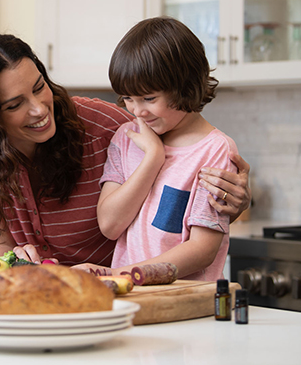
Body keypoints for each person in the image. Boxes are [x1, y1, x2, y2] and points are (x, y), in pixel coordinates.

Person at [0, 32, 251, 265]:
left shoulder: (108, 128)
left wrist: (232, 201)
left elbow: (179, 158)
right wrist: (14, 260)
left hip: (117, 297)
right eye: (15, 105)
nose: (40, 109)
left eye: (40, 87)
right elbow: (2, 249)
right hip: (46, 301)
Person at [73, 16, 238, 280]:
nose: (137, 111)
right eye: (128, 98)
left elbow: (202, 250)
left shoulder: (216, 151)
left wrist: (122, 275)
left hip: (186, 304)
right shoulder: (126, 138)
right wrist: (152, 158)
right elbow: (110, 225)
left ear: (185, 86)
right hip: (130, 298)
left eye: (149, 98)